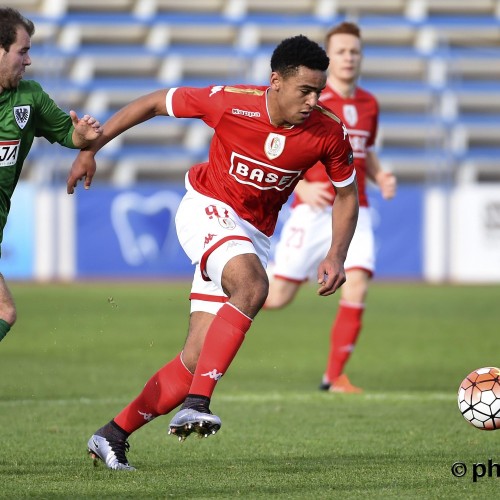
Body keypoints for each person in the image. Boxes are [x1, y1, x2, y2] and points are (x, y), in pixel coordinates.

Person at [67, 34, 359, 471]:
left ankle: (111, 434)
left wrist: (337, 252)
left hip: (253, 234)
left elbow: (347, 194)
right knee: (253, 285)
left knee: (194, 358)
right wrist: (93, 147)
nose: (314, 100)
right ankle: (199, 403)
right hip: (207, 208)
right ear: (275, 81)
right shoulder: (230, 102)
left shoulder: (327, 131)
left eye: (319, 90)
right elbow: (153, 102)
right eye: (306, 90)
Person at [264, 22, 397, 393]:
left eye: (354, 51)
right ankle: (217, 306)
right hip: (314, 209)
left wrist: (380, 175)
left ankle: (334, 376)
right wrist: (302, 187)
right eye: (341, 51)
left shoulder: (369, 103)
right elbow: (284, 143)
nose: (349, 58)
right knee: (274, 297)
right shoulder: (310, 97)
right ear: (330, 56)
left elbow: (363, 152)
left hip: (355, 208)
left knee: (357, 284)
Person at [0, 7, 102, 343]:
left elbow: (67, 134)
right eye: (22, 51)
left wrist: (83, 137)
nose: (28, 61)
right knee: (4, 311)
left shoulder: (29, 97)